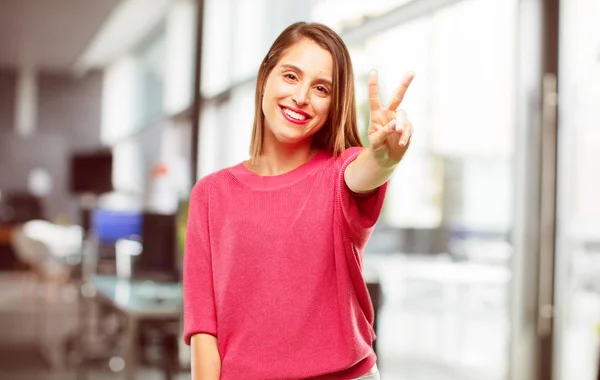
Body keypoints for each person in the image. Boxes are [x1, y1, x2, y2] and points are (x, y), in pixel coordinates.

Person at [183, 21, 414, 380]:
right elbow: (203, 329)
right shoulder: (211, 194)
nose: (302, 97)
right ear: (265, 78)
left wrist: (385, 157)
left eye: (320, 88)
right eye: (291, 76)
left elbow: (368, 171)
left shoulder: (341, 173)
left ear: (332, 104)